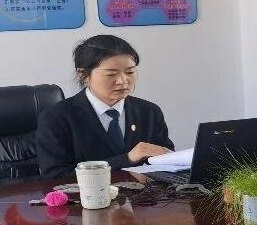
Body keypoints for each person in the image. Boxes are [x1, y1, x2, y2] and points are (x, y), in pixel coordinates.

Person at [37, 35, 174, 179]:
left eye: (130, 72)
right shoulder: (56, 118)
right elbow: (56, 177)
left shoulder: (149, 112)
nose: (123, 81)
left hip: (145, 193)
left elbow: (167, 160)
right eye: (111, 74)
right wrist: (127, 159)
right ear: (83, 75)